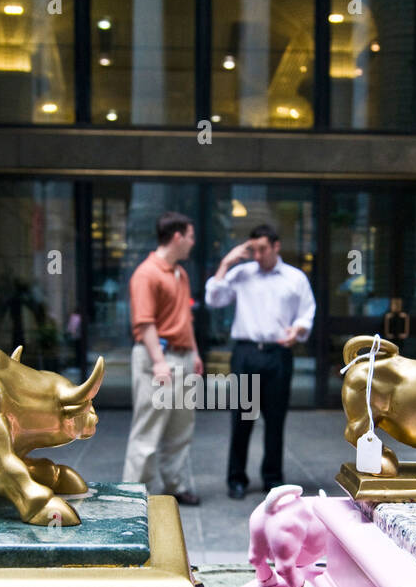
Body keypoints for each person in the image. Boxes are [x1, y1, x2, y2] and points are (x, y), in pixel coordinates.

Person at [205, 223, 315, 499]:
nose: (257, 255)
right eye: (253, 249)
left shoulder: (295, 278)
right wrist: (226, 262)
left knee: (275, 420)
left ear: (276, 246)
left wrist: (298, 330)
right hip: (246, 354)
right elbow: (213, 298)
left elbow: (306, 313)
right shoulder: (241, 274)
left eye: (262, 249)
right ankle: (236, 479)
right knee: (242, 419)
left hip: (279, 354)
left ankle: (273, 479)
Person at [121, 212, 203, 506]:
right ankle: (134, 492)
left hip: (182, 356)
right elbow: (144, 323)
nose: (193, 243)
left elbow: (186, 318)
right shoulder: (147, 273)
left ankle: (174, 485)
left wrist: (194, 353)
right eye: (191, 237)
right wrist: (158, 362)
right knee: (148, 428)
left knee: (181, 427)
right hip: (158, 356)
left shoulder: (180, 274)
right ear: (178, 237)